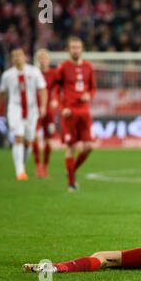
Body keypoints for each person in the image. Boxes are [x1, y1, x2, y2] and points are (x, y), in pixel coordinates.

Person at [0, 48, 47, 180]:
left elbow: (43, 89)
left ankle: (22, 165)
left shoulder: (34, 71)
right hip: (15, 109)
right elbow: (1, 94)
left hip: (32, 110)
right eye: (14, 56)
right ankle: (19, 171)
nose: (17, 58)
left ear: (25, 57)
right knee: (18, 137)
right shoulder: (7, 75)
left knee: (28, 141)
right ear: (12, 59)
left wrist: (43, 106)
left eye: (19, 55)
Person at [55, 36, 96, 191]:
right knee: (71, 147)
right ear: (68, 49)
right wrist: (61, 107)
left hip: (84, 112)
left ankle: (71, 170)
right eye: (72, 47)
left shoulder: (88, 67)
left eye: (78, 47)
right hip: (69, 113)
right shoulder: (62, 67)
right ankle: (71, 183)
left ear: (82, 49)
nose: (75, 50)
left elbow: (93, 88)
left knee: (89, 146)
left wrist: (89, 95)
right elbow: (57, 90)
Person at [32, 49, 59, 178]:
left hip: (49, 111)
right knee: (35, 137)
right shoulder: (33, 74)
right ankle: (38, 166)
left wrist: (55, 100)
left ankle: (45, 166)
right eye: (40, 58)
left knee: (48, 140)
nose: (43, 60)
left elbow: (58, 89)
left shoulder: (54, 73)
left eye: (45, 58)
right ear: (38, 60)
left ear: (49, 60)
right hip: (34, 110)